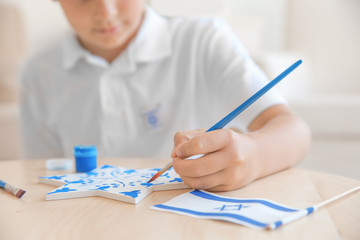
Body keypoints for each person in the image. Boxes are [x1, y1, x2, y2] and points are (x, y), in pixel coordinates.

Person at [20, 0, 311, 191]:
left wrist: (254, 155)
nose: (106, 11)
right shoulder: (39, 72)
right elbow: (40, 174)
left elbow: (295, 132)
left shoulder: (203, 40)